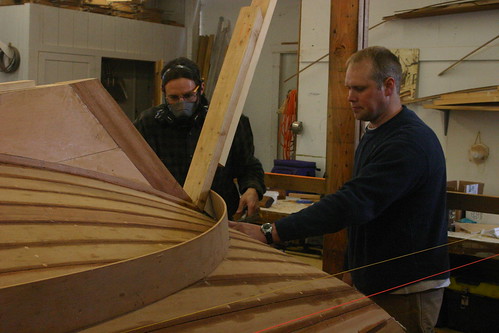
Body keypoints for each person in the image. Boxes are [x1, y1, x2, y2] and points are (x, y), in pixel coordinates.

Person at [230, 46, 450, 333]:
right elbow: (364, 214)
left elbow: (355, 202)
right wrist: (353, 270)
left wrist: (270, 232)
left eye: (359, 88)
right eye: (348, 87)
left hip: (406, 288)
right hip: (375, 279)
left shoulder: (407, 142)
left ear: (389, 86)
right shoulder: (377, 132)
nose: (349, 97)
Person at [134, 57, 265, 220]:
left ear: (201, 88)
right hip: (166, 214)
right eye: (174, 98)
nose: (182, 103)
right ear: (164, 94)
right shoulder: (149, 123)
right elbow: (135, 168)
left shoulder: (229, 122)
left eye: (188, 95)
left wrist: (252, 189)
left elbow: (248, 166)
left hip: (218, 213)